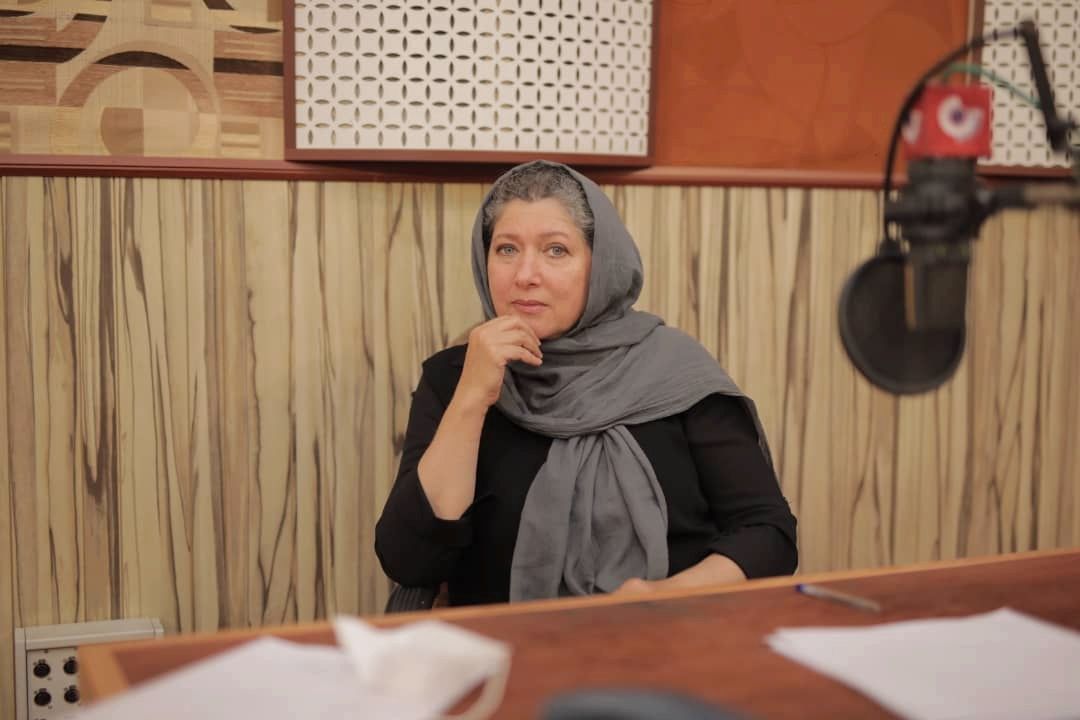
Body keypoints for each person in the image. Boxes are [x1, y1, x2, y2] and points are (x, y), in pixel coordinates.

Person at [375, 160, 797, 606]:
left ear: (600, 264)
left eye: (556, 250)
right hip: (501, 642)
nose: (525, 275)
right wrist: (472, 397)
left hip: (664, 631)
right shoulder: (454, 378)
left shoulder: (675, 372)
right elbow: (409, 561)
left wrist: (661, 596)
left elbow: (767, 533)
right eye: (506, 249)